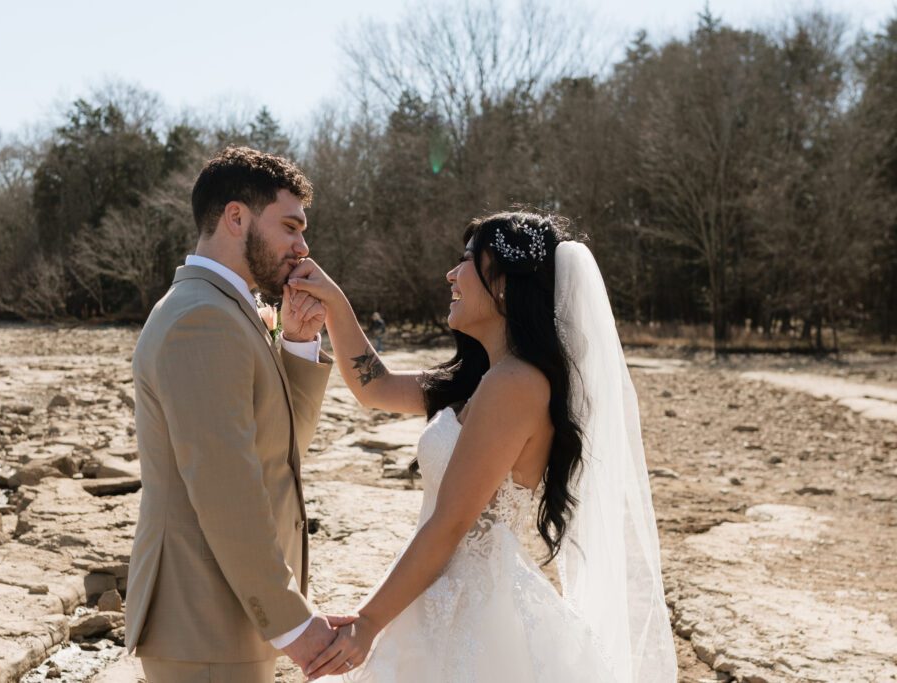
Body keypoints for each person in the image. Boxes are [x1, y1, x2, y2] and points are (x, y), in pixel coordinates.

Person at [287, 211, 678, 682]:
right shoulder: (484, 380)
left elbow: (451, 522)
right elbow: (377, 388)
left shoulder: (515, 385)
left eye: (467, 260)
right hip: (438, 589)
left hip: (472, 611)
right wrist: (332, 302)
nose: (451, 274)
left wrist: (367, 624)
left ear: (506, 284)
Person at [124, 147, 343, 682]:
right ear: (236, 217)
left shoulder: (224, 307)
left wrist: (295, 344)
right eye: (290, 226)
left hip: (227, 619)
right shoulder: (202, 318)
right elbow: (227, 492)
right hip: (204, 622)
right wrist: (293, 621)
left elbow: (276, 457)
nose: (302, 244)